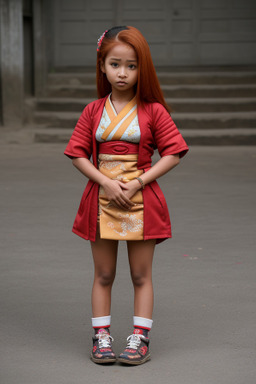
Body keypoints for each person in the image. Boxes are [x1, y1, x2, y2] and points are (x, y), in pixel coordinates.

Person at [64, 26, 188, 365]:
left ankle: (140, 338)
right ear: (102, 65)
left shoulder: (154, 111)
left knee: (140, 275)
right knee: (103, 274)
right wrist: (104, 181)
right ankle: (101, 336)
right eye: (115, 64)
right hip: (102, 201)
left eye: (132, 66)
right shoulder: (93, 110)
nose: (123, 73)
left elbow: (174, 152)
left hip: (140, 201)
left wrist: (138, 183)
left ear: (142, 68)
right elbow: (76, 153)